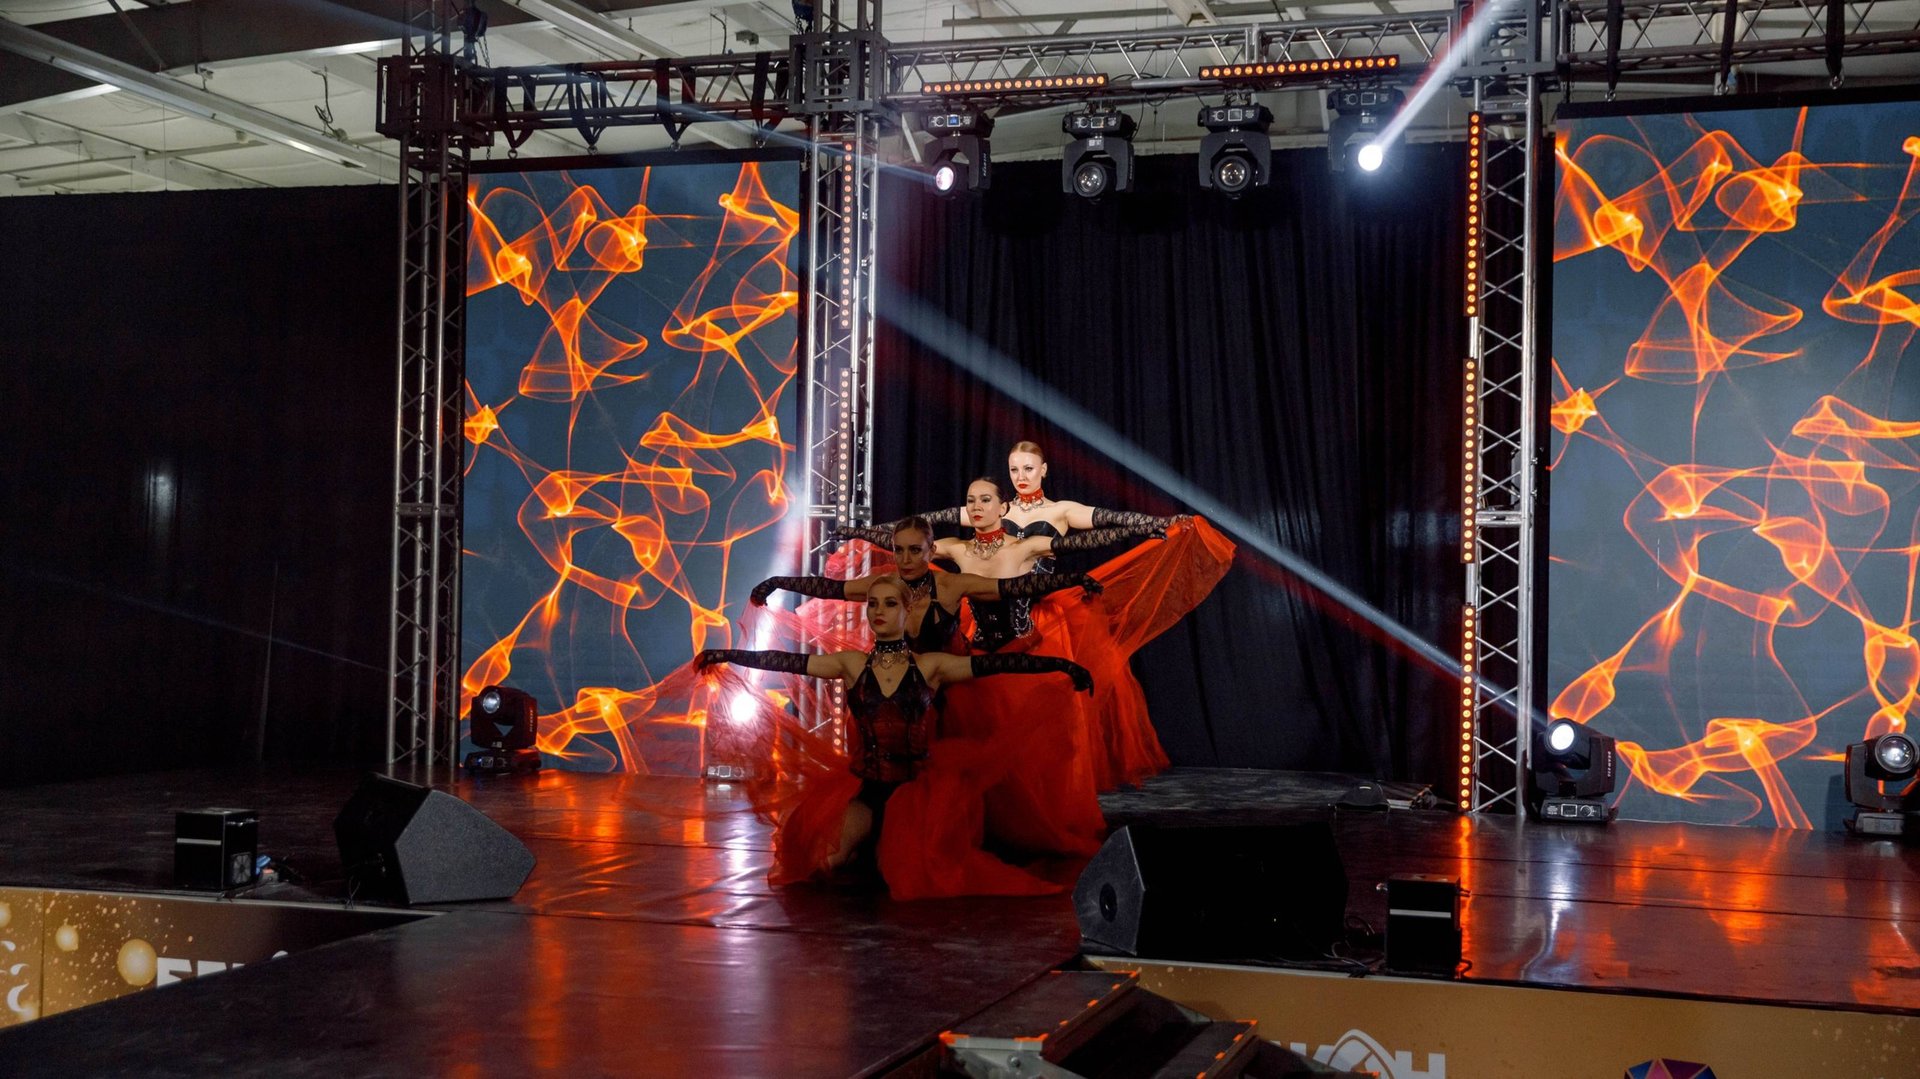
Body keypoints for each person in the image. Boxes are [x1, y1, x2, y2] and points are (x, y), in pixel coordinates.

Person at [696, 578, 1094, 898]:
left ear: (907, 611)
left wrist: (1062, 665)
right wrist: (728, 655)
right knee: (826, 863)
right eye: (873, 604)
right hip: (868, 787)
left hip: (918, 793)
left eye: (889, 604)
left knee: (912, 876)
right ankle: (868, 843)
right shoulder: (852, 664)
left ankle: (883, 847)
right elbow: (788, 662)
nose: (879, 612)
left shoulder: (932, 665)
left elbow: (999, 664)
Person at [749, 515, 1105, 656]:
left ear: (931, 551)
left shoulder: (950, 584)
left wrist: (1073, 578)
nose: (905, 558)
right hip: (902, 688)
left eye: (914, 550)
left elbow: (1012, 587)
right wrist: (778, 582)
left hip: (951, 688)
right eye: (898, 550)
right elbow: (829, 588)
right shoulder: (882, 584)